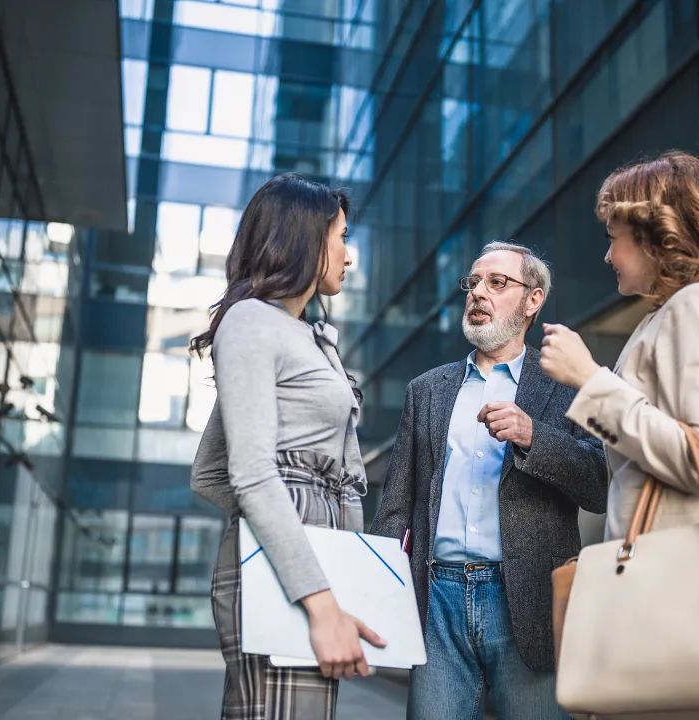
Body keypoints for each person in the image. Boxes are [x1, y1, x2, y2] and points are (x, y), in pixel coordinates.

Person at [371, 242, 607, 720]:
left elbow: (598, 485)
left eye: (497, 283)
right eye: (473, 283)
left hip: (527, 598)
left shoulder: (563, 384)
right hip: (438, 598)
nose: (478, 292)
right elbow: (397, 504)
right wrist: (378, 600)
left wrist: (532, 436)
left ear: (533, 301)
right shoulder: (427, 389)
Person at [189, 173, 384, 720]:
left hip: (310, 554)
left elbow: (208, 473)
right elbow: (248, 474)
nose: (349, 255)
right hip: (293, 561)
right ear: (305, 239)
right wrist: (288, 525)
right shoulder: (251, 321)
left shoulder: (303, 333)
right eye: (342, 236)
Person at [539, 149, 699, 545]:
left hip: (685, 577)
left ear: (657, 236)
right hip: (671, 569)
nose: (607, 256)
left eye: (613, 238)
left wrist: (589, 379)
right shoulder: (669, 314)